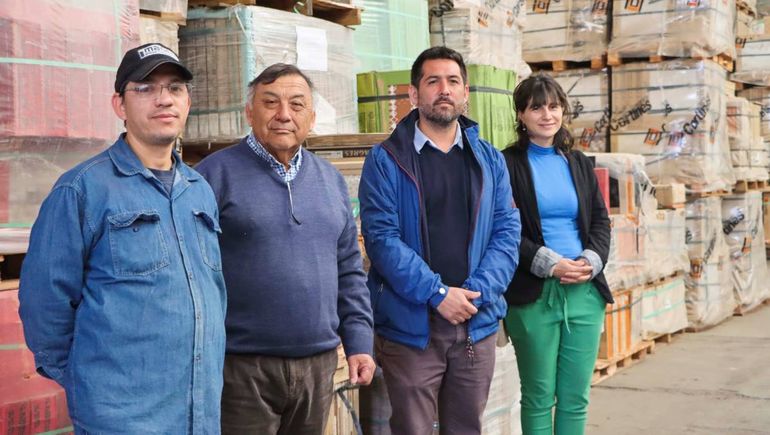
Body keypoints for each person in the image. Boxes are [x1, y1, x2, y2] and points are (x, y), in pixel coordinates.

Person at [18, 43, 227, 434]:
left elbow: (211, 293)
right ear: (119, 104)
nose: (163, 99)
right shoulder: (82, 190)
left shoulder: (199, 190)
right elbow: (43, 302)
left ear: (188, 101)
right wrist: (91, 384)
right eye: (145, 88)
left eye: (175, 88)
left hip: (198, 411)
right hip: (121, 419)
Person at [195, 63, 375, 435]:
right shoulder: (213, 176)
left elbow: (349, 269)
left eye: (296, 104)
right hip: (242, 368)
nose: (283, 115)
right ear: (249, 112)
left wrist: (359, 341)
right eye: (270, 103)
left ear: (311, 116)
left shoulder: (330, 180)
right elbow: (191, 273)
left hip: (318, 364)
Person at [358, 46, 521, 434]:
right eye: (433, 81)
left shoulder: (489, 160)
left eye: (452, 82)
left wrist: (474, 294)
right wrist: (437, 294)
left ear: (465, 93)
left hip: (474, 324)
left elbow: (507, 232)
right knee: (412, 429)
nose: (443, 90)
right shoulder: (385, 160)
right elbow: (382, 239)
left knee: (466, 428)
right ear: (414, 95)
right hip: (411, 327)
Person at [501, 73, 612, 435]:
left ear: (563, 110)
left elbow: (599, 220)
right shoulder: (506, 164)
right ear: (521, 115)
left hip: (584, 292)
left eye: (553, 106)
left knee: (575, 396)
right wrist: (550, 264)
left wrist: (590, 261)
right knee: (538, 395)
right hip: (534, 295)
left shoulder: (578, 162)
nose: (546, 115)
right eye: (536, 108)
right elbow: (501, 229)